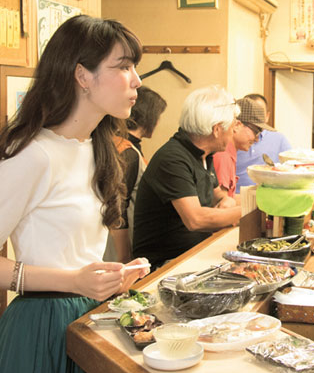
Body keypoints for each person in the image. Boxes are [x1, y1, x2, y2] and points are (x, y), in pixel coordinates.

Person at [0, 15, 150, 373]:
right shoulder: (34, 156)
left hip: (89, 320)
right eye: (123, 67)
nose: (136, 80)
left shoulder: (99, 148)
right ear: (82, 76)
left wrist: (110, 277)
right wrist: (74, 281)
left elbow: (75, 252)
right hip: (40, 328)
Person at [132, 85, 242, 270]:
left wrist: (228, 202)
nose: (233, 134)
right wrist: (250, 209)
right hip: (165, 264)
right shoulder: (173, 158)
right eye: (232, 128)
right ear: (216, 129)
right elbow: (196, 219)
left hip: (195, 252)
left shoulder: (204, 155)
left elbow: (219, 195)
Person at [106, 86, 167, 263]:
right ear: (148, 117)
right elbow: (120, 206)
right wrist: (124, 256)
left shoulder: (120, 144)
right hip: (120, 243)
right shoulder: (127, 152)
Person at [213, 97, 272, 199]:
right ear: (237, 125)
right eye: (256, 131)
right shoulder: (223, 155)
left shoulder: (230, 152)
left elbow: (230, 198)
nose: (257, 139)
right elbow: (222, 204)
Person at [235, 93, 292, 193]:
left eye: (260, 112)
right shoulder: (230, 144)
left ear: (267, 116)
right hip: (237, 197)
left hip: (267, 196)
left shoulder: (279, 139)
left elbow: (291, 168)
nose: (255, 139)